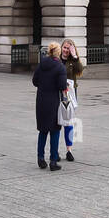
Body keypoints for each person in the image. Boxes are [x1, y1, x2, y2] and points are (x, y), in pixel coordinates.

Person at [32, 42, 67, 171]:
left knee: (43, 131)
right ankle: (53, 161)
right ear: (58, 52)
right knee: (55, 131)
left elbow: (34, 81)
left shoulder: (41, 64)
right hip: (54, 101)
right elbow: (62, 86)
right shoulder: (60, 67)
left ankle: (40, 158)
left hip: (41, 100)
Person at [60, 69, 79, 162]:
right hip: (57, 93)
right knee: (56, 125)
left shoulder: (73, 59)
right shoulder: (56, 60)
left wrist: (75, 57)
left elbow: (79, 70)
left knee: (69, 124)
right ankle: (55, 151)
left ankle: (69, 150)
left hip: (69, 93)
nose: (65, 52)